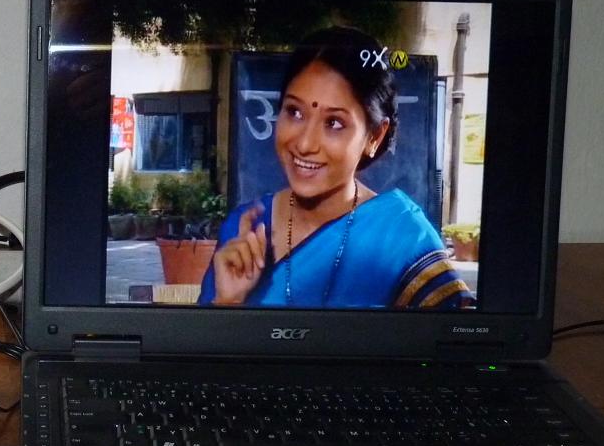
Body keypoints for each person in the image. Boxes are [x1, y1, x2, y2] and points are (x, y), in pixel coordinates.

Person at [199, 26, 471, 309]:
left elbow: (457, 336)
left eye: (334, 123)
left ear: (374, 136)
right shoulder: (245, 228)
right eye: (295, 112)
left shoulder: (403, 239)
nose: (305, 143)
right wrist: (228, 302)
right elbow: (202, 337)